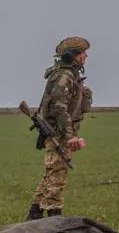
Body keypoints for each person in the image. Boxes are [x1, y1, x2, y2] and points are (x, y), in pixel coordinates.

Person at [28, 37, 93, 220]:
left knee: (52, 173)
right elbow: (59, 107)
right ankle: (53, 218)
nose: (85, 56)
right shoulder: (65, 77)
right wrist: (70, 135)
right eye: (82, 53)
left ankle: (35, 214)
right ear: (72, 56)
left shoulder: (68, 75)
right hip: (59, 133)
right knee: (57, 175)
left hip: (60, 132)